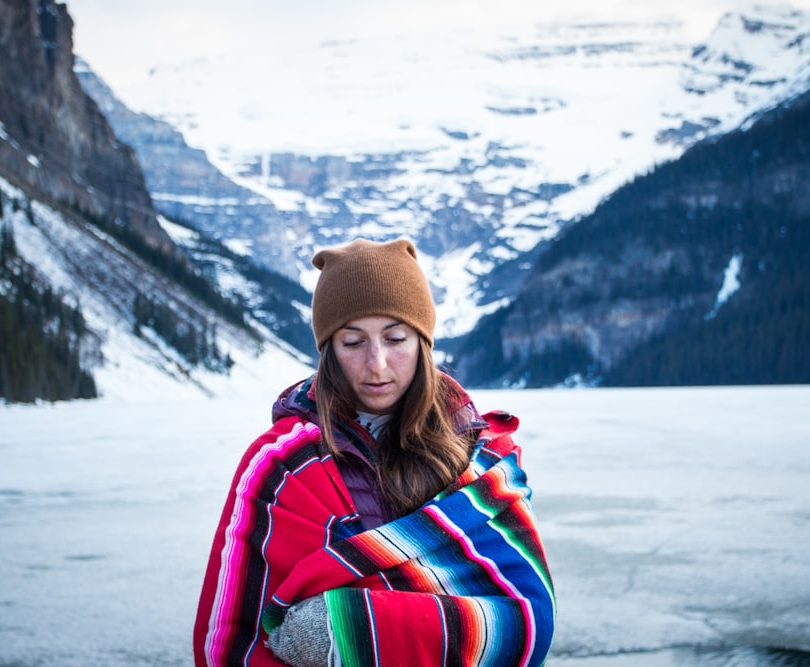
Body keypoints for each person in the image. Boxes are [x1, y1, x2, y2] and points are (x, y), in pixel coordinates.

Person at [193, 238, 556, 667]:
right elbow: (231, 642)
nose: (377, 363)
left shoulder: (478, 457)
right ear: (328, 351)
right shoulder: (284, 466)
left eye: (396, 337)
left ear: (423, 344)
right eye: (352, 342)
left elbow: (528, 620)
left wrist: (345, 627)